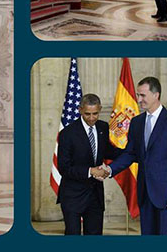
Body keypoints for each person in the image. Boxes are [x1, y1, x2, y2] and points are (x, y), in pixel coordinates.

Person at [98, 77, 167, 235]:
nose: (139, 99)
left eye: (142, 95)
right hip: (145, 193)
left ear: (156, 95)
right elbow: (130, 154)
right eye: (138, 95)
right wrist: (110, 169)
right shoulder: (136, 122)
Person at [56, 94, 122, 235]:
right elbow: (64, 167)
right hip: (73, 196)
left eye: (95, 114)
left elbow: (109, 152)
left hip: (95, 196)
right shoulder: (67, 133)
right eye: (87, 114)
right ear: (80, 110)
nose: (91, 118)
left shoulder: (103, 127)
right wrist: (90, 171)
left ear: (100, 110)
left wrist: (133, 153)